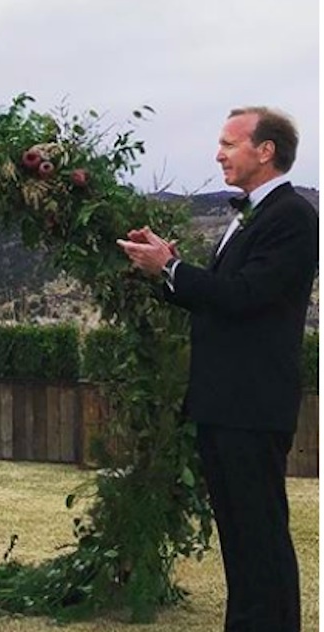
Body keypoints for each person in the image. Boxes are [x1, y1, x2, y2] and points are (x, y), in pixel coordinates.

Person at [117, 106, 317, 631]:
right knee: (240, 537)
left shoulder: (293, 216)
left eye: (229, 143)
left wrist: (175, 269)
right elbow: (223, 296)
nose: (218, 153)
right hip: (224, 402)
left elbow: (245, 297)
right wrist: (168, 270)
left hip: (252, 403)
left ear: (265, 150)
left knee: (261, 535)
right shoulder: (249, 214)